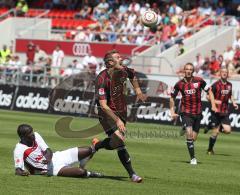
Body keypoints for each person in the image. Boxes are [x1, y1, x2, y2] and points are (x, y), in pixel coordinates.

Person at [93, 49, 147, 182]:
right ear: (110, 62)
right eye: (118, 57)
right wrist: (117, 121)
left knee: (115, 142)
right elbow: (104, 106)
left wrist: (138, 91)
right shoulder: (101, 79)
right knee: (120, 141)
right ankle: (133, 174)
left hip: (122, 111)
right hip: (106, 114)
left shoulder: (123, 70)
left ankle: (97, 145)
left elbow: (132, 75)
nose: (122, 59)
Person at [14, 124, 103, 178]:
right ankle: (90, 173)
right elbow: (18, 170)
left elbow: (48, 150)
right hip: (51, 169)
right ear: (23, 137)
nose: (32, 134)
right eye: (29, 133)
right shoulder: (19, 149)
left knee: (88, 150)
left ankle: (83, 164)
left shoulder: (36, 135)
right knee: (81, 172)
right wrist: (22, 173)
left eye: (32, 131)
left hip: (57, 157)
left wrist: (48, 159)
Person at [169, 63, 216, 165]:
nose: (189, 71)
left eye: (190, 69)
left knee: (193, 138)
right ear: (184, 71)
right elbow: (172, 97)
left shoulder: (199, 81)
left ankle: (184, 128)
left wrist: (213, 105)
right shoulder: (179, 84)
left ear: (193, 71)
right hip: (186, 113)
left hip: (198, 113)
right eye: (187, 69)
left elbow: (210, 91)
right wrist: (172, 111)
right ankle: (193, 158)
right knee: (189, 135)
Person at [204, 67, 239, 154]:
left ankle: (211, 126)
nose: (224, 73)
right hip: (216, 111)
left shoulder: (229, 85)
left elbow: (230, 95)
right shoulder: (216, 84)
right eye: (222, 72)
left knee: (228, 130)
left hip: (225, 111)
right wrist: (215, 101)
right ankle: (210, 149)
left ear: (227, 74)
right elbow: (207, 96)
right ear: (220, 73)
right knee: (215, 132)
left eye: (225, 72)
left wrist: (234, 103)